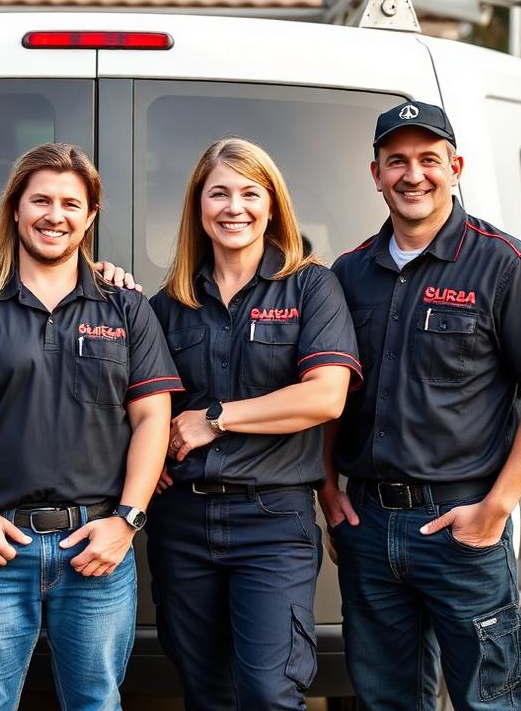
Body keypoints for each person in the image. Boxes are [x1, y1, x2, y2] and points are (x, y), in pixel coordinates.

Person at [323, 100, 521, 710]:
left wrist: (498, 507)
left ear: (455, 167)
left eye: (429, 159)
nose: (413, 175)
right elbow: (332, 392)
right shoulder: (349, 273)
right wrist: (326, 489)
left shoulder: (502, 263)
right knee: (384, 701)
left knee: (486, 701)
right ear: (376, 174)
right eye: (397, 161)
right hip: (368, 526)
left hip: (461, 525)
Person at [0, 142, 182, 710]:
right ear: (15, 208)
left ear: (90, 215)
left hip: (97, 548)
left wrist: (127, 522)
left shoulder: (125, 307)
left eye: (70, 204)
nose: (55, 216)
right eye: (41, 201)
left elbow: (153, 416)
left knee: (96, 702)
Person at [145, 138, 362, 710]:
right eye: (218, 193)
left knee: (269, 692)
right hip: (182, 522)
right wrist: (145, 459)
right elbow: (138, 406)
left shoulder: (311, 286)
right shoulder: (168, 304)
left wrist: (216, 419)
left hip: (272, 520)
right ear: (198, 206)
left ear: (272, 205)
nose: (233, 207)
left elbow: (326, 396)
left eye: (249, 193)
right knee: (205, 691)